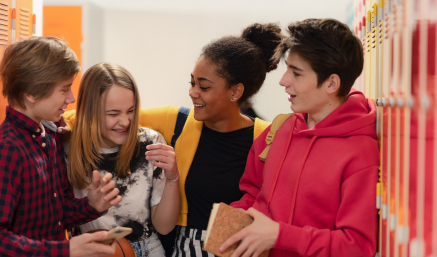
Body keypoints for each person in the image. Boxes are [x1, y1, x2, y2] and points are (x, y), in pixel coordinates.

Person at [222, 19, 379, 257]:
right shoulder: (280, 129)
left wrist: (280, 235)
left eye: (296, 73)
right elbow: (253, 193)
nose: (283, 81)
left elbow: (356, 245)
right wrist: (236, 217)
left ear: (331, 83)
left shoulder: (360, 152)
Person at [138, 23, 283, 257]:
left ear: (235, 92)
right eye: (192, 82)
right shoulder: (177, 122)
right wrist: (60, 124)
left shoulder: (269, 138)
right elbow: (109, 115)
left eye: (203, 86)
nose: (193, 92)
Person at [0, 37, 122, 257]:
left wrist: (91, 205)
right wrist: (66, 249)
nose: (71, 98)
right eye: (64, 89)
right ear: (31, 93)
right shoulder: (7, 149)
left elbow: (56, 214)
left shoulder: (49, 137)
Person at [64, 63, 181, 257]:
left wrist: (173, 177)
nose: (125, 122)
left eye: (131, 111)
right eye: (113, 114)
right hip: (93, 251)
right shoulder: (66, 149)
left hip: (147, 249)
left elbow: (164, 226)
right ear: (89, 112)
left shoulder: (150, 143)